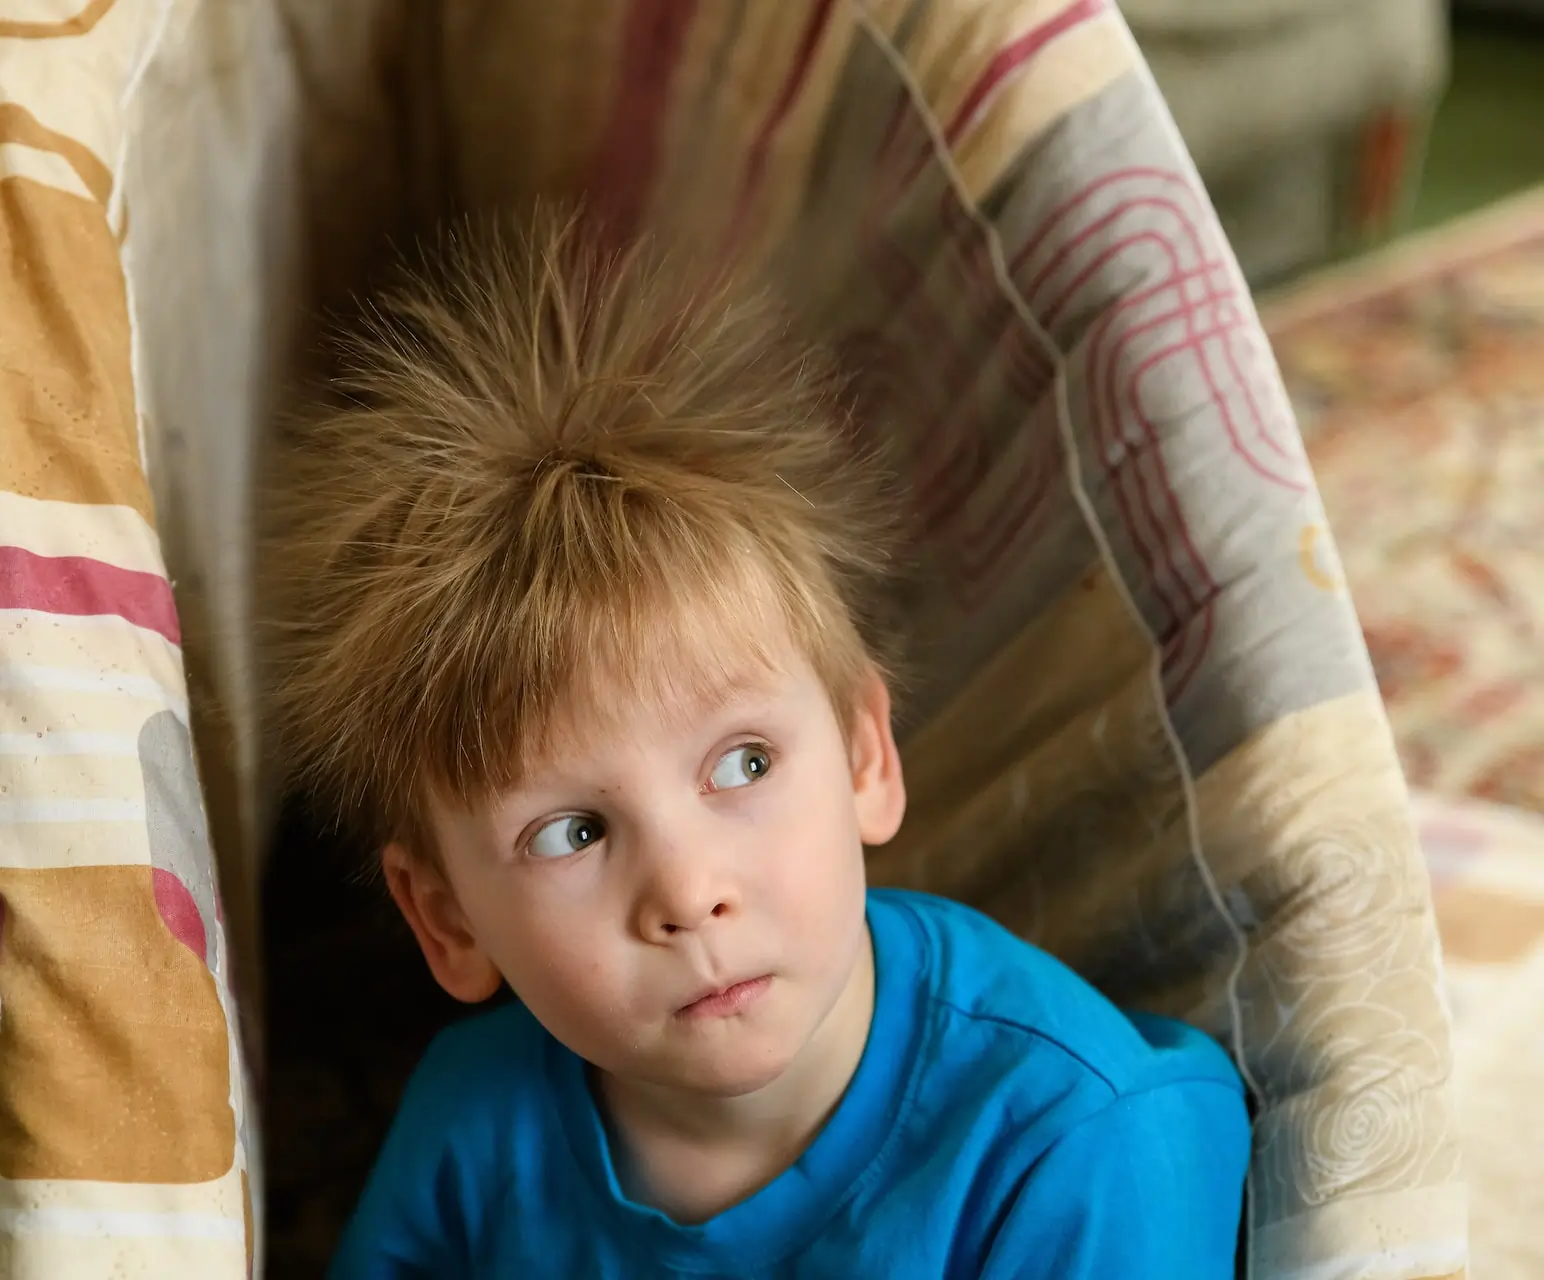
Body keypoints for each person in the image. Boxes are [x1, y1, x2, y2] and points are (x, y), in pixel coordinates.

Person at [260, 212, 1251, 1278]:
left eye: (743, 763)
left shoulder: (1081, 1143)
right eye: (572, 830)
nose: (688, 891)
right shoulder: (476, 1122)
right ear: (448, 917)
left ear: (866, 754)